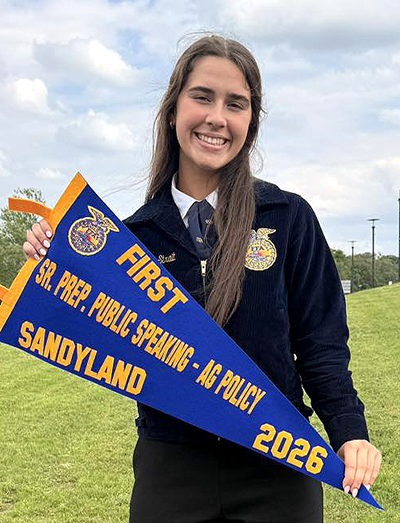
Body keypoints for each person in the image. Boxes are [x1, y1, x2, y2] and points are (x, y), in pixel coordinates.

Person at [23, 35, 381, 523]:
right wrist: (50, 261)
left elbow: (321, 343)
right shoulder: (132, 238)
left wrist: (348, 429)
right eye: (202, 97)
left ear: (250, 123)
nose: (217, 117)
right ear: (173, 111)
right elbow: (85, 326)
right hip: (170, 470)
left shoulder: (288, 217)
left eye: (236, 104)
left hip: (279, 465)